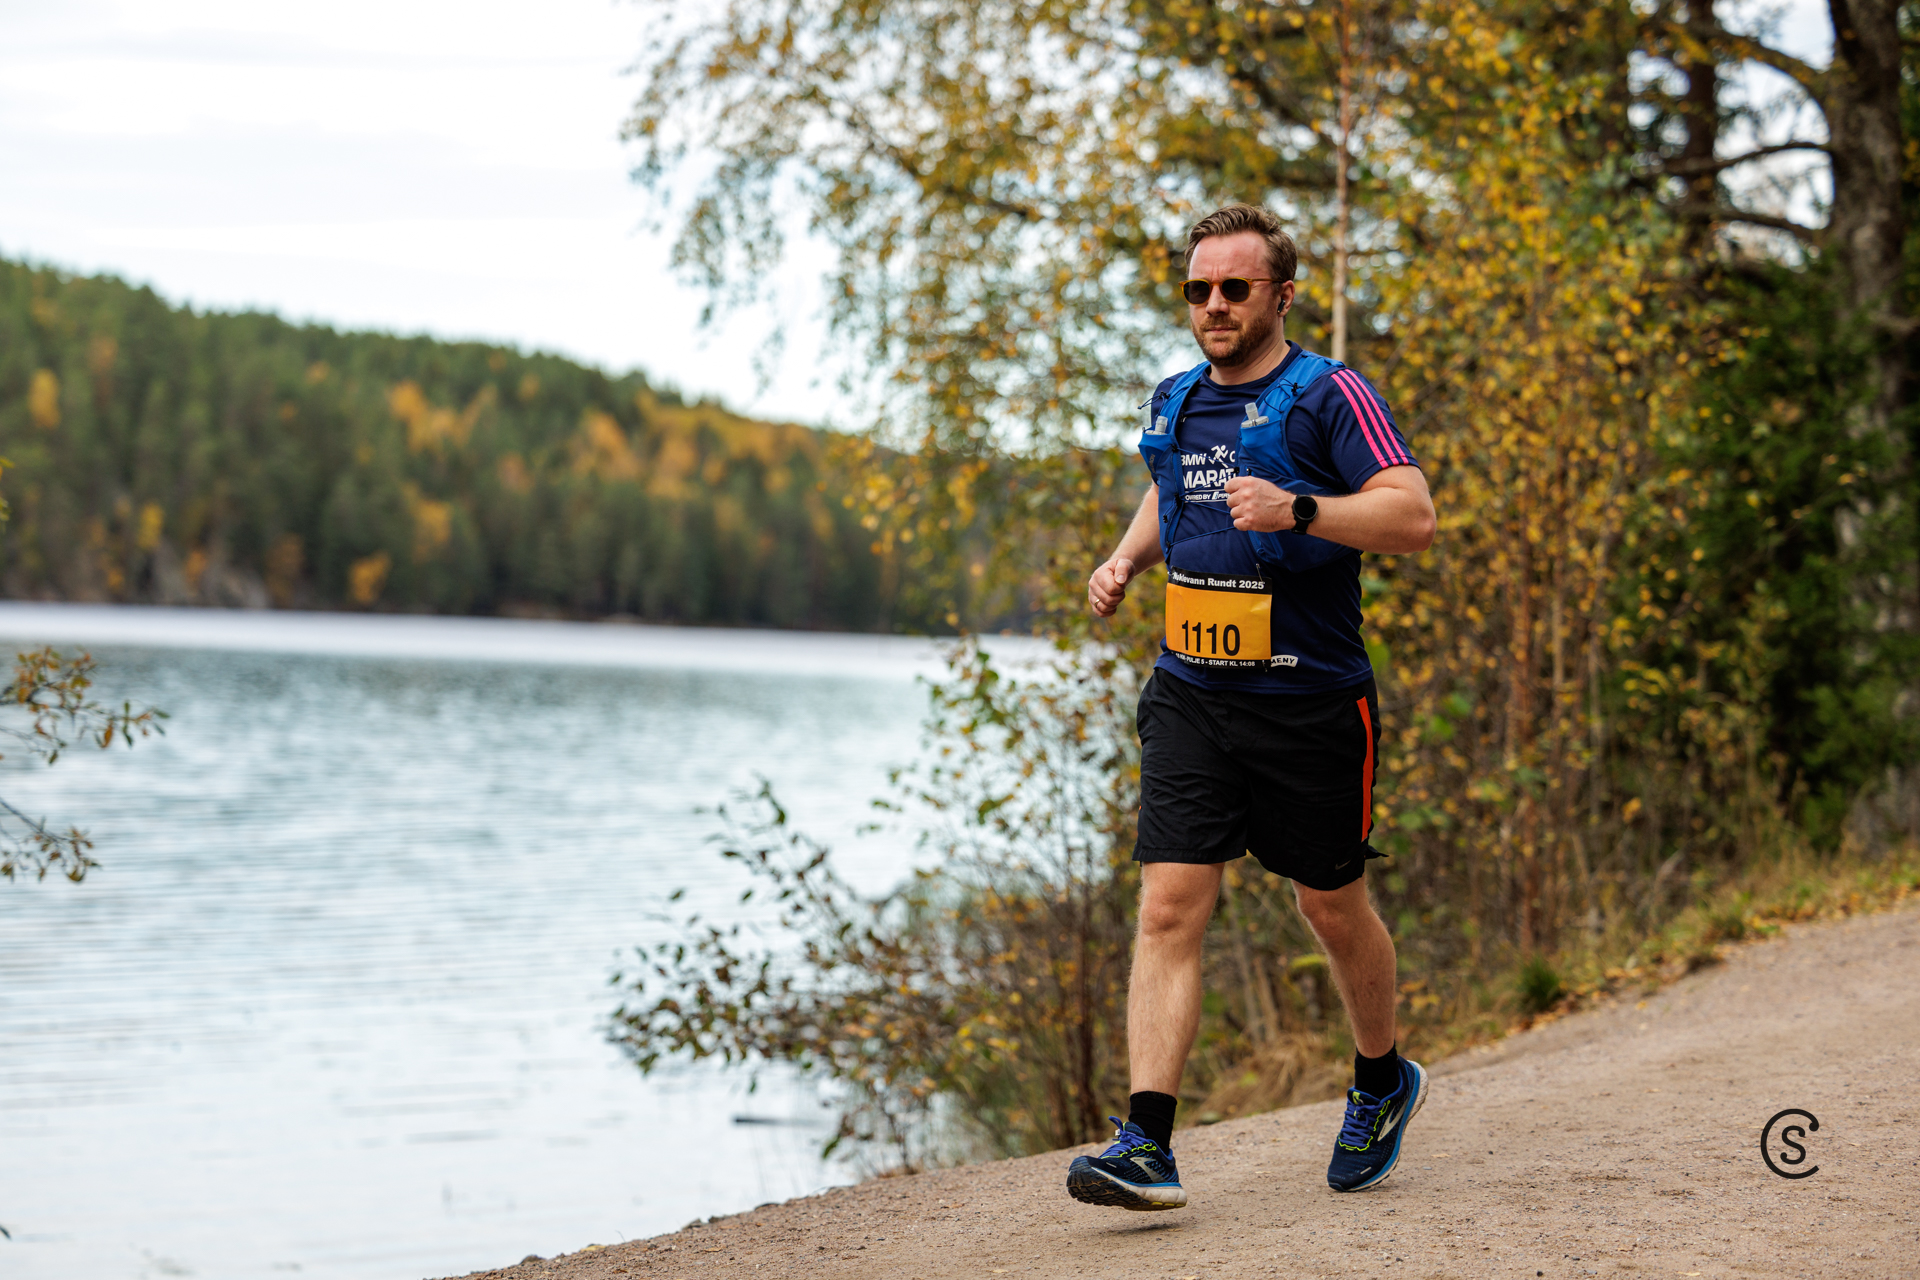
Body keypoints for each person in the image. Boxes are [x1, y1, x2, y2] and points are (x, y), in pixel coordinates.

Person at [1066, 204, 1437, 1210]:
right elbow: (1171, 491)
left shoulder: (1330, 395)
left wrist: (1300, 508)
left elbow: (1412, 514)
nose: (1215, 305)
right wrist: (1125, 559)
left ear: (1282, 293)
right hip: (1192, 693)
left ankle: (1380, 1078)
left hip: (1309, 703)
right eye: (1199, 289)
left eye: (1236, 287)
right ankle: (1146, 1143)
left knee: (1330, 903)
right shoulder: (1177, 400)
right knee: (1168, 904)